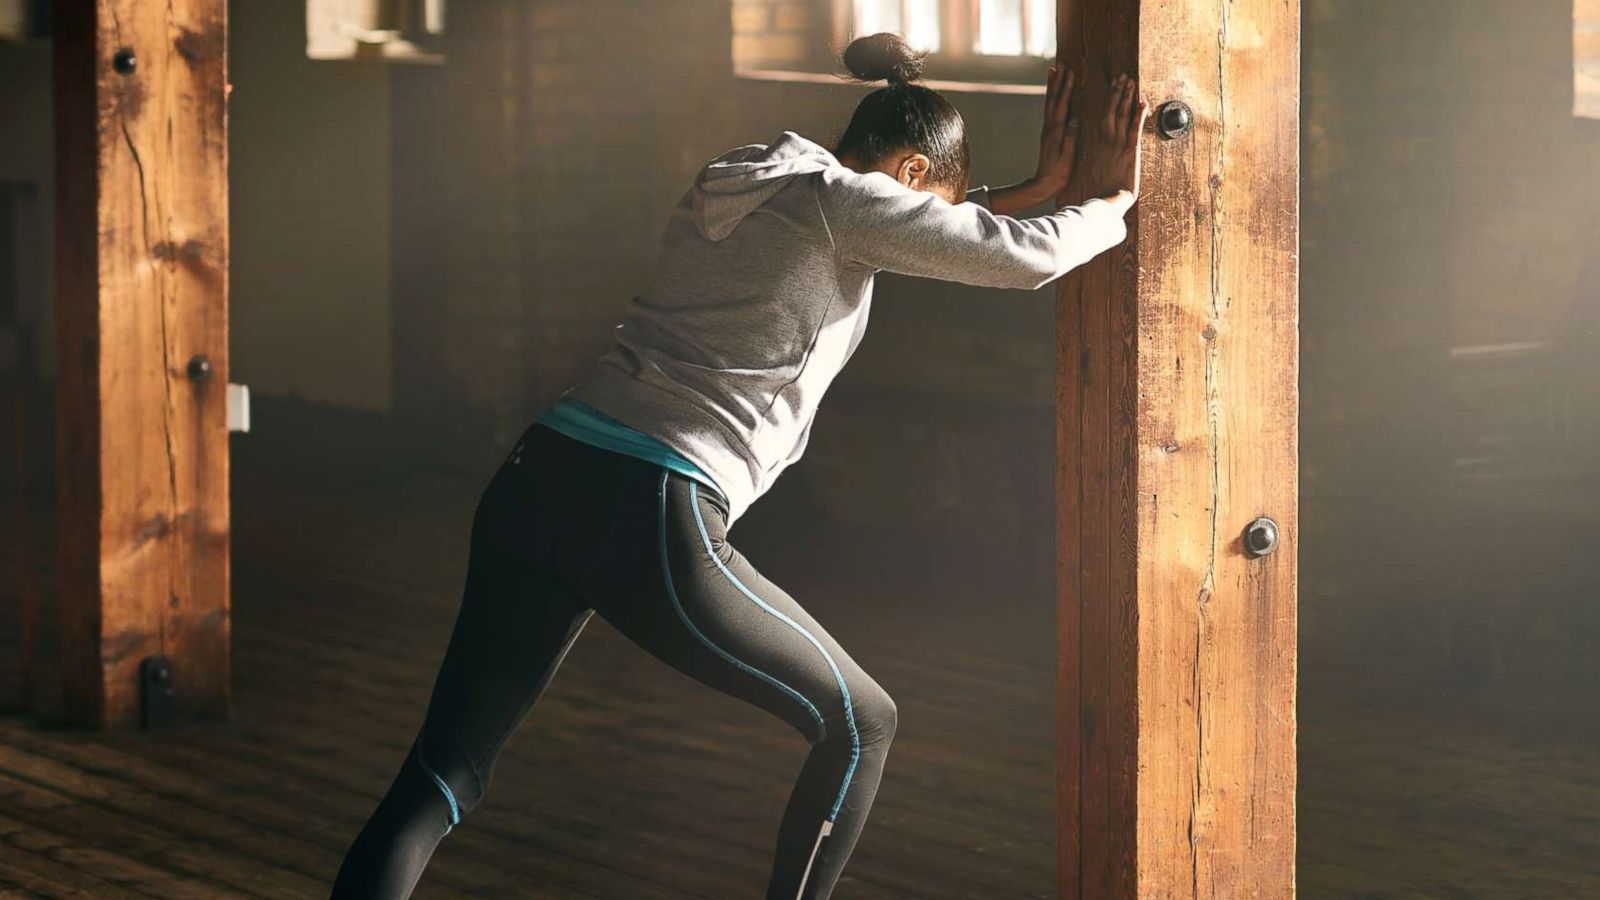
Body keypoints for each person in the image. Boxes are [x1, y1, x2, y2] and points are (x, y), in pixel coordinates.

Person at [331, 32, 1149, 900]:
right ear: (910, 179)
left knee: (445, 773)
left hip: (540, 473)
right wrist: (1111, 200)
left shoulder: (753, 174)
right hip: (651, 501)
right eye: (932, 205)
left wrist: (1019, 192)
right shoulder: (851, 208)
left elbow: (892, 225)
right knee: (862, 723)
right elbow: (1020, 259)